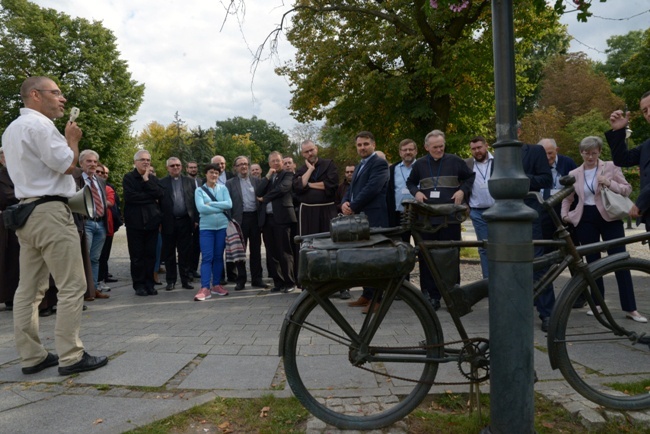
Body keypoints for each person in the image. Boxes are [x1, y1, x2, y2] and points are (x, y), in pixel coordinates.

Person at [2, 76, 107, 375]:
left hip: (26, 213)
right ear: (35, 95)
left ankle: (31, 356)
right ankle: (71, 355)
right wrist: (72, 140)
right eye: (56, 93)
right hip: (50, 212)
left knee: (29, 289)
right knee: (72, 284)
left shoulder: (12, 130)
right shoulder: (40, 126)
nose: (62, 99)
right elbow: (64, 163)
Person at [561, 136, 646, 323]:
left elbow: (627, 189)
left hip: (610, 217)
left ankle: (631, 308)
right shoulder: (574, 172)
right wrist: (565, 215)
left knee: (620, 260)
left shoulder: (610, 166)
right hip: (586, 218)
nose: (590, 156)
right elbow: (568, 197)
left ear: (599, 151)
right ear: (581, 152)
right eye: (586, 152)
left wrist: (609, 183)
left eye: (593, 152)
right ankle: (598, 304)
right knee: (591, 263)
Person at [406, 129, 474, 311]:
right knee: (427, 258)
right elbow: (410, 183)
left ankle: (453, 296)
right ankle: (431, 296)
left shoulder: (455, 161)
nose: (439, 150)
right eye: (435, 147)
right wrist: (417, 192)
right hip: (427, 220)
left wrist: (462, 191)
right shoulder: (419, 164)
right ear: (427, 147)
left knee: (451, 257)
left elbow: (469, 178)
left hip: (450, 218)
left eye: (441, 146)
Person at [342, 131, 390, 312]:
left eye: (366, 144)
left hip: (374, 217)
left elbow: (372, 189)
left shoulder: (379, 164)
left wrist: (353, 205)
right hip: (359, 218)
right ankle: (367, 295)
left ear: (373, 145)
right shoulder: (360, 165)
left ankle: (378, 299)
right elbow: (351, 188)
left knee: (375, 259)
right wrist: (344, 203)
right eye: (359, 145)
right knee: (364, 259)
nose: (362, 147)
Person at [292, 140, 340, 295]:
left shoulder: (329, 164)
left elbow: (331, 185)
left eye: (311, 150)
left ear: (317, 149)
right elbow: (298, 187)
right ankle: (310, 284)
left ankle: (338, 285)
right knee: (309, 247)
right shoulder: (300, 170)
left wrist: (309, 185)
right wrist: (310, 171)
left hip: (327, 211)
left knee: (331, 246)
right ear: (302, 154)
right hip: (308, 213)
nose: (309, 154)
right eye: (306, 152)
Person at [606, 90, 650, 228]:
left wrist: (640, 203)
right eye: (644, 111)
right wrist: (619, 131)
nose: (648, 113)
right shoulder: (647, 145)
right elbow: (623, 160)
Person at [123, 150, 164, 297]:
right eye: (142, 160)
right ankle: (139, 285)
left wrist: (146, 181)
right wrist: (149, 196)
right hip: (135, 224)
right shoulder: (128, 178)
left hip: (152, 223)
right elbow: (130, 197)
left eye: (148, 160)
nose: (146, 162)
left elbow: (160, 194)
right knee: (137, 256)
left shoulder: (152, 179)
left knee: (150, 256)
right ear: (135, 162)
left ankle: (149, 284)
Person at [256, 151, 297, 293]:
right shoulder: (269, 178)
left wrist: (265, 198)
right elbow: (258, 191)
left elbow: (282, 189)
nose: (275, 163)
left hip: (282, 218)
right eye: (273, 161)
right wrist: (267, 176)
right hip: (267, 220)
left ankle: (290, 282)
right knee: (271, 252)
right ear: (269, 164)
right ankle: (278, 282)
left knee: (284, 251)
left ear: (282, 162)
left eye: (278, 161)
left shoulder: (288, 174)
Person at [226, 156, 268, 290]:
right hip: (239, 220)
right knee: (240, 252)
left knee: (256, 250)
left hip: (255, 218)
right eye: (240, 165)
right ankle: (241, 280)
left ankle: (257, 279)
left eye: (245, 164)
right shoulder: (230, 183)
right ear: (235, 168)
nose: (244, 166)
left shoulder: (257, 181)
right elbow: (227, 204)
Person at [194, 163, 232, 301]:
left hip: (221, 227)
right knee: (207, 257)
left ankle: (216, 285)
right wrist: (219, 206)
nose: (214, 175)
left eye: (216, 173)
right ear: (206, 174)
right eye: (211, 172)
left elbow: (229, 204)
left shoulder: (223, 188)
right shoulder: (199, 191)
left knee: (218, 257)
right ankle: (205, 287)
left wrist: (211, 204)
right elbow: (201, 209)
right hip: (206, 229)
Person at [159, 157, 198, 291]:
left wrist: (196, 219)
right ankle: (171, 280)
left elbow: (194, 201)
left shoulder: (190, 181)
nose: (175, 167)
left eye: (178, 165)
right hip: (168, 222)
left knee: (185, 253)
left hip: (185, 221)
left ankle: (186, 280)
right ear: (167, 168)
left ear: (181, 167)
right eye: (172, 166)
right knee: (169, 253)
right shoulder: (161, 182)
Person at [77, 150, 108, 295]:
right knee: (83, 257)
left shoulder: (100, 180)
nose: (93, 164)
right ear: (81, 163)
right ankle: (83, 290)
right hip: (86, 222)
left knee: (95, 258)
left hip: (100, 223)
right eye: (89, 161)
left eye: (95, 162)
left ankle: (94, 289)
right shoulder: (75, 179)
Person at [464, 136, 494, 278]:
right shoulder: (467, 164)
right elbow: (462, 185)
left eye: (479, 147)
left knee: (501, 246)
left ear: (486, 146)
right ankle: (488, 282)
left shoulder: (499, 161)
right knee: (484, 247)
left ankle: (503, 281)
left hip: (498, 211)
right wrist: (465, 204)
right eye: (473, 149)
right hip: (477, 212)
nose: (477, 151)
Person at [211, 155, 237, 284]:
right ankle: (219, 277)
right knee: (218, 248)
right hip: (216, 217)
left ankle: (233, 274)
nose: (220, 166)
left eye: (222, 163)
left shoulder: (233, 176)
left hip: (231, 217)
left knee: (232, 247)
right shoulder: (208, 179)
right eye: (217, 164)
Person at [0, 148, 19, 312]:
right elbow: (7, 196)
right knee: (10, 260)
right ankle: (9, 296)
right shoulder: (2, 175)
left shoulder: (20, 174)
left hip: (20, 220)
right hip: (6, 223)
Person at [387, 138, 417, 237]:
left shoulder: (422, 167)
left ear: (415, 151)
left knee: (422, 245)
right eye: (405, 150)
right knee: (402, 245)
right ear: (400, 153)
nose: (408, 152)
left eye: (410, 149)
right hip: (399, 214)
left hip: (420, 214)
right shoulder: (392, 169)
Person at [96, 164, 121, 287]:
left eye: (104, 173)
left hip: (107, 225)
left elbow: (111, 202)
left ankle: (101, 278)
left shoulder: (108, 188)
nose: (101, 175)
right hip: (90, 224)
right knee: (93, 257)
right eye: (99, 172)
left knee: (103, 255)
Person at [185, 160, 202, 280]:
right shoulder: (184, 182)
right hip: (189, 218)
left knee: (197, 246)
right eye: (191, 167)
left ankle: (194, 269)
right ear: (186, 169)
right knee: (188, 246)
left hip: (202, 218)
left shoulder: (201, 181)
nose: (193, 169)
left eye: (195, 167)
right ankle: (188, 270)